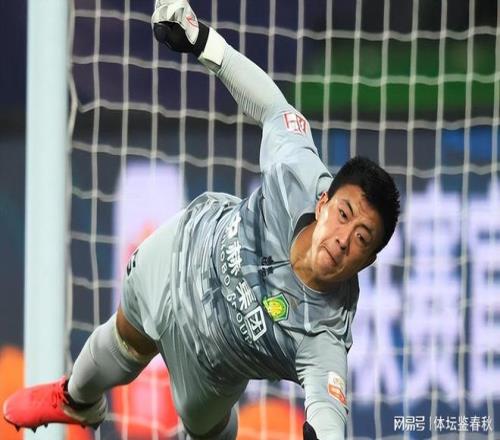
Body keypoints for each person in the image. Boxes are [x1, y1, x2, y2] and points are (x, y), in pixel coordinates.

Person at [3, 1, 400, 439]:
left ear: (368, 260)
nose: (343, 238)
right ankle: (77, 401)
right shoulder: (298, 173)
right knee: (125, 337)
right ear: (323, 202)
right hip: (183, 250)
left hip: (211, 367)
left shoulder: (324, 334)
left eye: (362, 238)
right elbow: (273, 105)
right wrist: (202, 40)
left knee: (205, 429)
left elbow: (329, 410)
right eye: (343, 215)